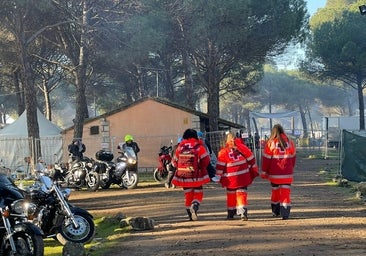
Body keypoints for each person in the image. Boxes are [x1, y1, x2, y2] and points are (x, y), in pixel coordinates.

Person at [213, 131, 258, 221]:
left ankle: (231, 213)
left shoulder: (223, 152)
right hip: (243, 176)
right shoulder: (243, 148)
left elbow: (220, 167)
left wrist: (218, 177)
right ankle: (242, 212)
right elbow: (252, 159)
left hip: (230, 178)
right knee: (241, 194)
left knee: (231, 195)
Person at [171, 129, 211, 221]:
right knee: (198, 193)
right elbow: (206, 160)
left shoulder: (180, 147)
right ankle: (195, 205)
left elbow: (174, 161)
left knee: (188, 194)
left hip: (183, 176)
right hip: (196, 175)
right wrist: (201, 167)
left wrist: (179, 167)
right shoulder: (199, 147)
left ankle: (190, 215)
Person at [261, 124, 296, 220]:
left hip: (274, 174)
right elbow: (293, 158)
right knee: (286, 193)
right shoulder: (290, 142)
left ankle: (275, 211)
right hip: (287, 173)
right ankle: (285, 213)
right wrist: (290, 167)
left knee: (275, 192)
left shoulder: (270, 143)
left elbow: (266, 159)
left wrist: (264, 171)